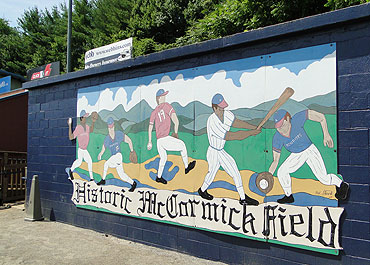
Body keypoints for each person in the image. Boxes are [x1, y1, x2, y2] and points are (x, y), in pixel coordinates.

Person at [268, 109, 349, 204]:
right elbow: (275, 160)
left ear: (287, 119)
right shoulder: (277, 138)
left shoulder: (297, 119)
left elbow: (321, 117)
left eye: (282, 125)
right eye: (278, 127)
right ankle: (288, 196)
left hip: (309, 150)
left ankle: (341, 184)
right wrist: (268, 175)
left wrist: (326, 134)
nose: (280, 129)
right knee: (282, 171)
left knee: (324, 178)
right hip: (297, 154)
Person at [198, 93, 261, 205]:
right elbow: (231, 136)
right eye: (220, 108)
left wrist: (253, 127)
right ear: (214, 108)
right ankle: (202, 190)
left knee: (235, 171)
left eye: (223, 107)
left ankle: (243, 198)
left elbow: (237, 123)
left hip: (221, 150)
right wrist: (251, 133)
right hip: (213, 151)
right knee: (211, 173)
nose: (223, 110)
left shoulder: (226, 114)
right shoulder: (212, 121)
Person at [147, 89, 196, 184]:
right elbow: (176, 121)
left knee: (163, 158)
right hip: (165, 138)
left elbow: (150, 127)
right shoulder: (167, 106)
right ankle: (186, 167)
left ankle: (159, 177)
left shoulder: (154, 112)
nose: (165, 97)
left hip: (159, 141)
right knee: (182, 145)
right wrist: (176, 132)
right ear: (159, 98)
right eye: (163, 96)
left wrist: (149, 141)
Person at [97, 117, 137, 192]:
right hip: (114, 158)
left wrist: (132, 151)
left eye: (111, 127)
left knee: (106, 164)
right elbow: (103, 147)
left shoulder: (118, 134)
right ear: (108, 128)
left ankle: (103, 180)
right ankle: (133, 183)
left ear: (114, 126)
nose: (111, 128)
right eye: (109, 127)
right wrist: (100, 154)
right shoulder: (107, 138)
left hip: (118, 156)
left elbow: (128, 140)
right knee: (122, 175)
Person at [68, 110, 95, 181]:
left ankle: (91, 178)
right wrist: (70, 125)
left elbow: (91, 130)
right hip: (81, 149)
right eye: (84, 117)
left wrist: (93, 122)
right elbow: (71, 137)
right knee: (79, 161)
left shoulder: (87, 126)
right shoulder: (79, 128)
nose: (86, 119)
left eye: (86, 117)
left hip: (85, 149)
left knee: (89, 161)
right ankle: (71, 170)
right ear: (81, 118)